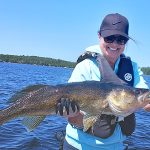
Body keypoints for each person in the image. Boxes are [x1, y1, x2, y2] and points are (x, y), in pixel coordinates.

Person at [57, 13, 149, 150]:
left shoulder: (132, 68)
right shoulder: (85, 67)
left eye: (121, 40)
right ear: (99, 36)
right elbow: (73, 119)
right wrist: (71, 114)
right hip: (78, 146)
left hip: (116, 146)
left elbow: (144, 97)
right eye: (109, 38)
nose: (114, 44)